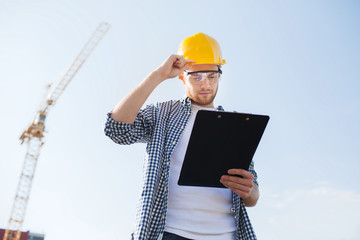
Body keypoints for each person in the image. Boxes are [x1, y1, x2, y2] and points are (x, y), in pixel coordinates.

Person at [104, 33, 259, 240]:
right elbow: (116, 129)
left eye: (212, 76)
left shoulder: (237, 124)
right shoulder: (163, 114)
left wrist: (250, 191)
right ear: (181, 77)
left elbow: (253, 196)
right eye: (196, 77)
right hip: (170, 233)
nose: (205, 85)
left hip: (226, 235)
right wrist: (158, 75)